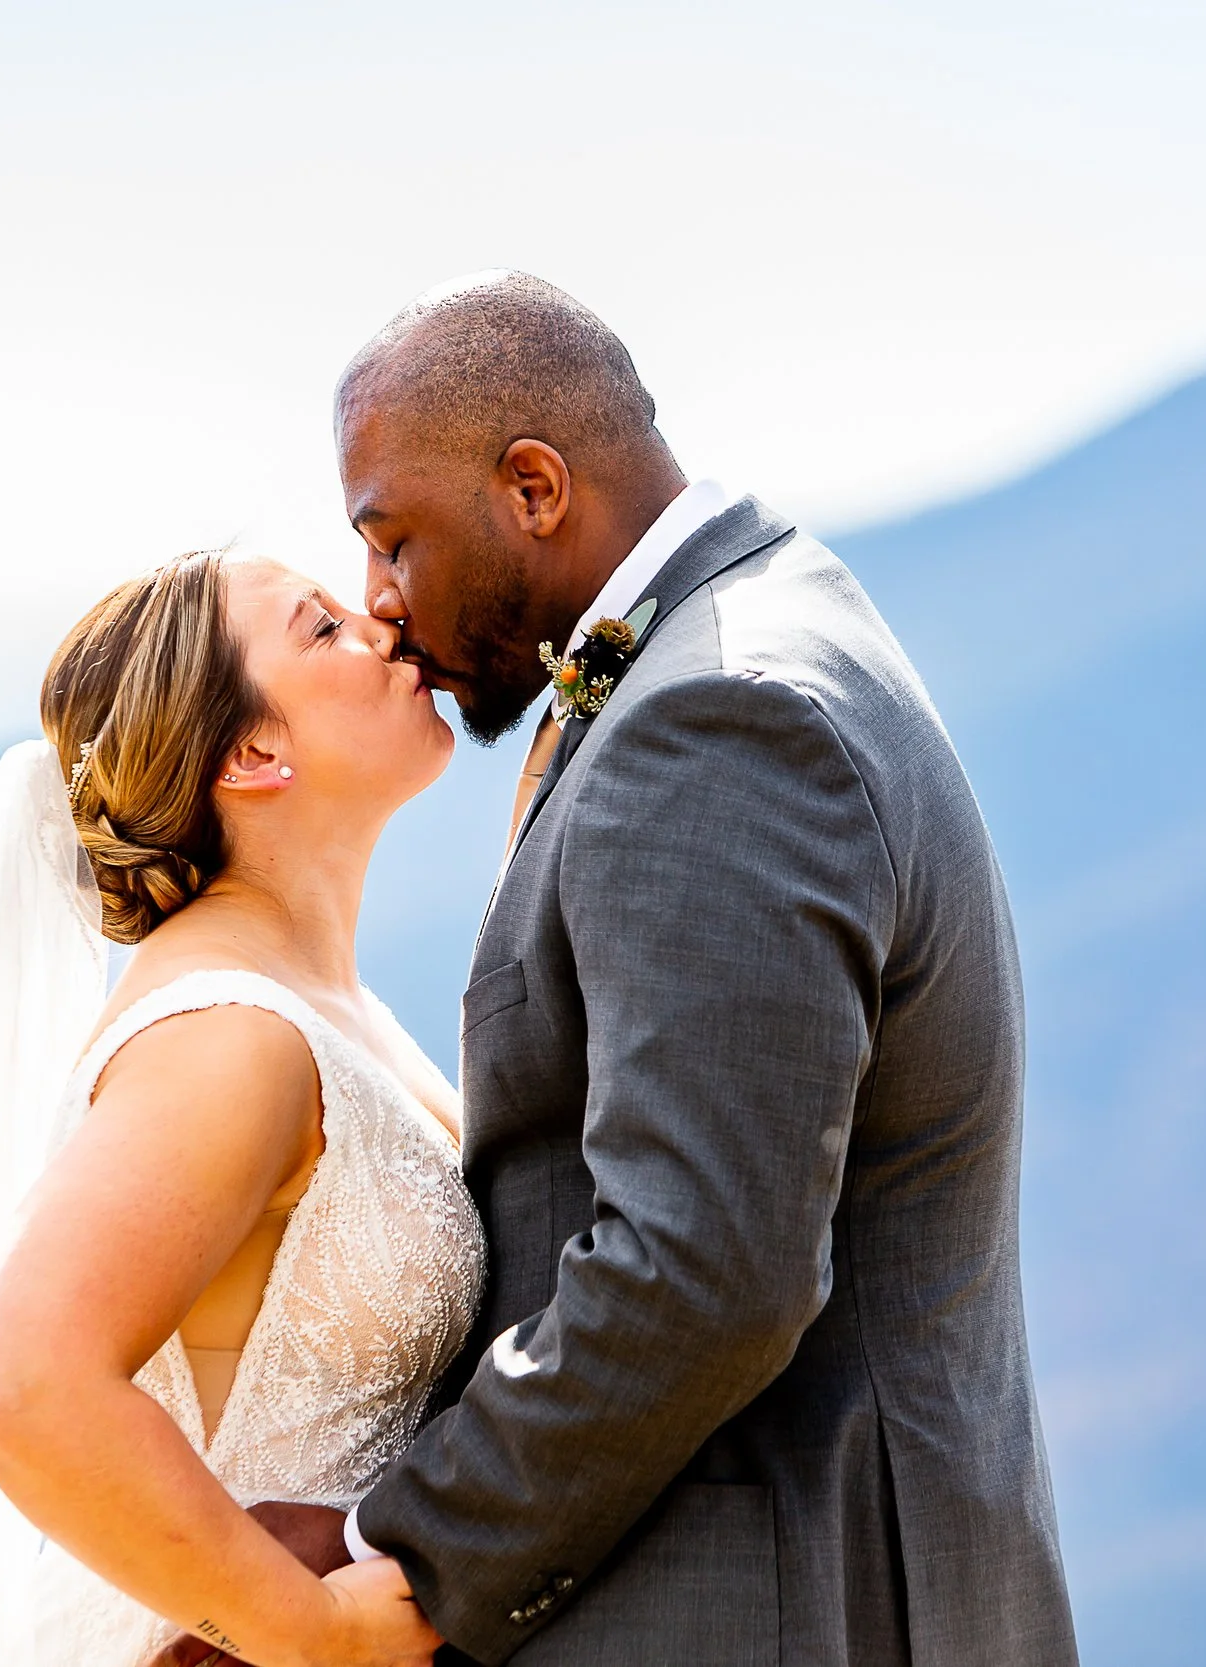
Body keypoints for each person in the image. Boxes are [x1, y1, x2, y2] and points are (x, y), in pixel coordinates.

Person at [315, 272, 1081, 1665]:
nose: (377, 602)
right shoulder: (740, 640)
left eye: (394, 539)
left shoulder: (718, 720)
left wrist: (405, 1557)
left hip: (794, 1615)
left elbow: (702, 1263)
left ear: (534, 486)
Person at [0, 551, 474, 1667]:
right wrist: (304, 1626)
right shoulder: (226, 1036)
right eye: (319, 628)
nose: (381, 625)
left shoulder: (330, 1007)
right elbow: (23, 1377)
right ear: (253, 753)